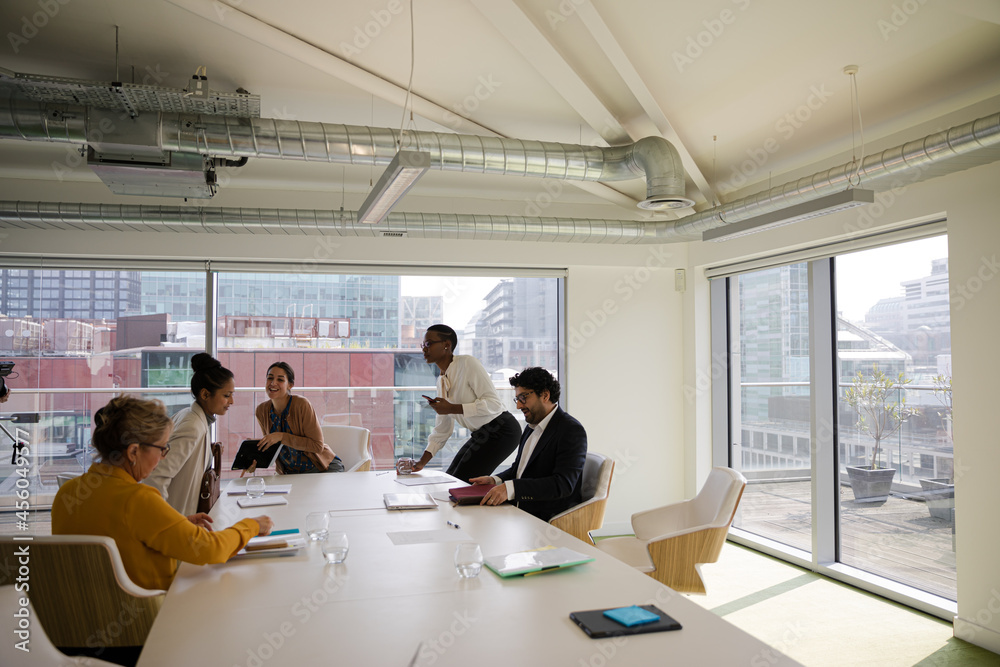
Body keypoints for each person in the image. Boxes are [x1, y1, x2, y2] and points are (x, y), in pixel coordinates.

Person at [52, 395, 272, 592]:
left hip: (78, 623)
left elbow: (121, 535)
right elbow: (211, 549)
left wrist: (176, 524)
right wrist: (252, 525)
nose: (164, 457)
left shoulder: (67, 493)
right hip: (148, 620)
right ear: (133, 452)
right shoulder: (139, 500)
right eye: (162, 448)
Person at [470, 367, 587, 521]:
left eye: (523, 397)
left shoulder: (570, 430)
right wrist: (495, 480)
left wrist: (511, 489)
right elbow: (519, 470)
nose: (518, 406)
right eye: (517, 399)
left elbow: (563, 484)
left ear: (545, 395)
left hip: (549, 519)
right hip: (521, 511)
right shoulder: (531, 427)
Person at [412, 324, 521, 483]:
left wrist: (451, 408)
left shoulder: (467, 364)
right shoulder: (441, 382)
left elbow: (494, 404)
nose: (424, 349)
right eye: (423, 345)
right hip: (481, 433)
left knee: (463, 482)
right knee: (452, 477)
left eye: (428, 344)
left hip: (502, 429)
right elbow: (442, 429)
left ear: (446, 345)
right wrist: (421, 462)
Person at [145, 353, 233, 515]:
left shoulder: (191, 417)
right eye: (226, 396)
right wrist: (166, 519)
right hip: (176, 520)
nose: (231, 401)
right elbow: (157, 475)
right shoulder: (192, 426)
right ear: (205, 394)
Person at [255, 361, 344, 474]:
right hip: (291, 474)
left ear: (290, 385)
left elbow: (317, 446)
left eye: (280, 380)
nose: (273, 383)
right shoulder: (261, 411)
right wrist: (254, 453)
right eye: (270, 378)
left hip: (323, 468)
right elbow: (272, 448)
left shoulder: (302, 404)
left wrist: (282, 437)